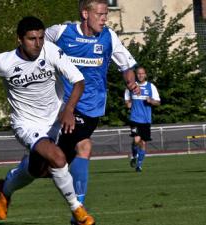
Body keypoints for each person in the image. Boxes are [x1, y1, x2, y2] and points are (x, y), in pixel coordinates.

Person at [0, 16, 95, 225]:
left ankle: (5, 188)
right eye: (31, 39)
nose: (37, 44)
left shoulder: (52, 51)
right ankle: (77, 210)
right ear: (19, 39)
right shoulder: (4, 62)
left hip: (55, 120)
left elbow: (78, 81)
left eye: (40, 38)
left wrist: (69, 109)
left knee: (37, 170)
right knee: (57, 159)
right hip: (26, 124)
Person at [44, 0, 139, 222]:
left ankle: (21, 177)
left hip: (92, 108)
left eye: (106, 14)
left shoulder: (108, 37)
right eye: (100, 14)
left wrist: (131, 83)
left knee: (54, 163)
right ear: (85, 13)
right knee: (84, 146)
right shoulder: (60, 32)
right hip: (63, 105)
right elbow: (37, 47)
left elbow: (126, 64)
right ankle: (79, 212)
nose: (105, 18)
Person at [124, 66, 160, 172]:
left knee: (142, 143)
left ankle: (139, 165)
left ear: (145, 74)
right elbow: (127, 99)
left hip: (146, 120)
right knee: (136, 140)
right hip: (134, 118)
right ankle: (134, 156)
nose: (140, 75)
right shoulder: (131, 86)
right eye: (138, 73)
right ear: (136, 75)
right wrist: (128, 104)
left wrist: (151, 101)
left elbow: (158, 102)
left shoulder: (151, 86)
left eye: (142, 73)